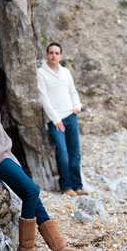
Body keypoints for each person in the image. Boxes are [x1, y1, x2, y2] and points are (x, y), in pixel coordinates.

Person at [0, 57, 83, 251]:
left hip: (6, 152)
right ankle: (25, 248)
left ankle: (58, 248)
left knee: (32, 195)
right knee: (32, 191)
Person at [37, 42, 86, 197]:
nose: (54, 56)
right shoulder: (41, 73)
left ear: (61, 56)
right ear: (46, 55)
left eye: (57, 53)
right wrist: (56, 119)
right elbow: (43, 98)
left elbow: (73, 91)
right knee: (62, 153)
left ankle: (77, 186)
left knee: (75, 153)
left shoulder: (65, 72)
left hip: (70, 116)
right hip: (55, 120)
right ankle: (65, 186)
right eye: (51, 53)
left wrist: (77, 107)